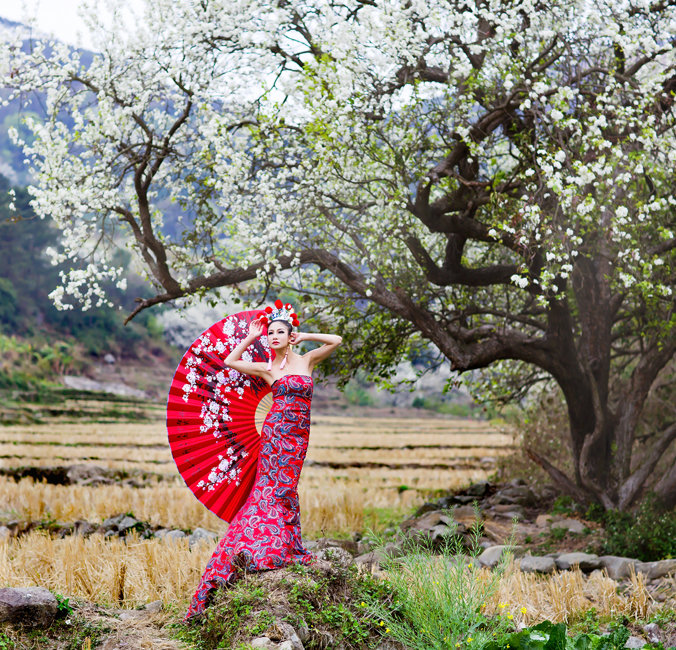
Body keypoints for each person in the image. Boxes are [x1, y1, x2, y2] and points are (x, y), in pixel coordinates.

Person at [184, 301, 342, 620]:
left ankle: (288, 546)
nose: (273, 337)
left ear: (289, 335)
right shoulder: (268, 368)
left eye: (279, 332)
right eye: (270, 333)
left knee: (288, 488)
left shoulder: (308, 360)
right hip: (274, 433)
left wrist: (304, 335)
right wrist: (251, 337)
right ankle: (265, 548)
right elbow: (230, 360)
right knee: (272, 489)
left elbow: (336, 340)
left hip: (299, 434)